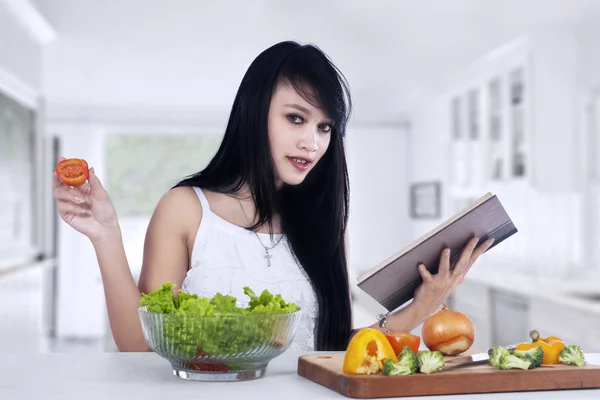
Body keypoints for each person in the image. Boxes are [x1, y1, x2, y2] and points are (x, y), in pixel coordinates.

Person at [52, 41, 493, 353]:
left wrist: (421, 307)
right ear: (250, 111)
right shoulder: (186, 209)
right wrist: (106, 236)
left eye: (324, 127)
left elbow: (333, 350)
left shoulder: (326, 224)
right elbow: (143, 344)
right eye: (296, 118)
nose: (312, 143)